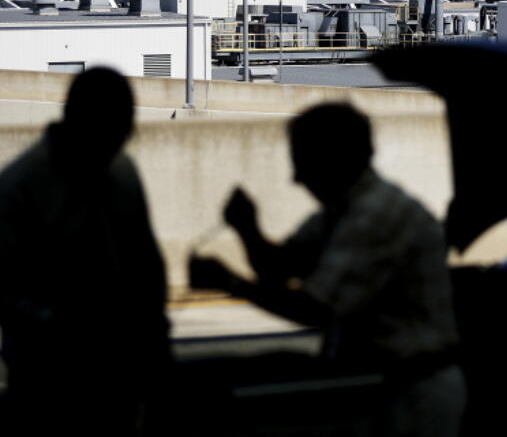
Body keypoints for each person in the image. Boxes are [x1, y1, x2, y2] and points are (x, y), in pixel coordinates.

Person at [189, 102, 464, 437]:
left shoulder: (376, 217)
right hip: (379, 385)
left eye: (303, 162)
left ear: (334, 158)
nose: (296, 178)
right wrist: (247, 229)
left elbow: (315, 308)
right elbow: (280, 268)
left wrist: (231, 283)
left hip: (412, 394)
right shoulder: (342, 212)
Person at [0, 67, 170, 436]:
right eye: (113, 133)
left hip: (113, 378)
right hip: (46, 383)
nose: (119, 143)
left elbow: (146, 264)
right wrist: (67, 323)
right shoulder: (19, 190)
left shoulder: (119, 169)